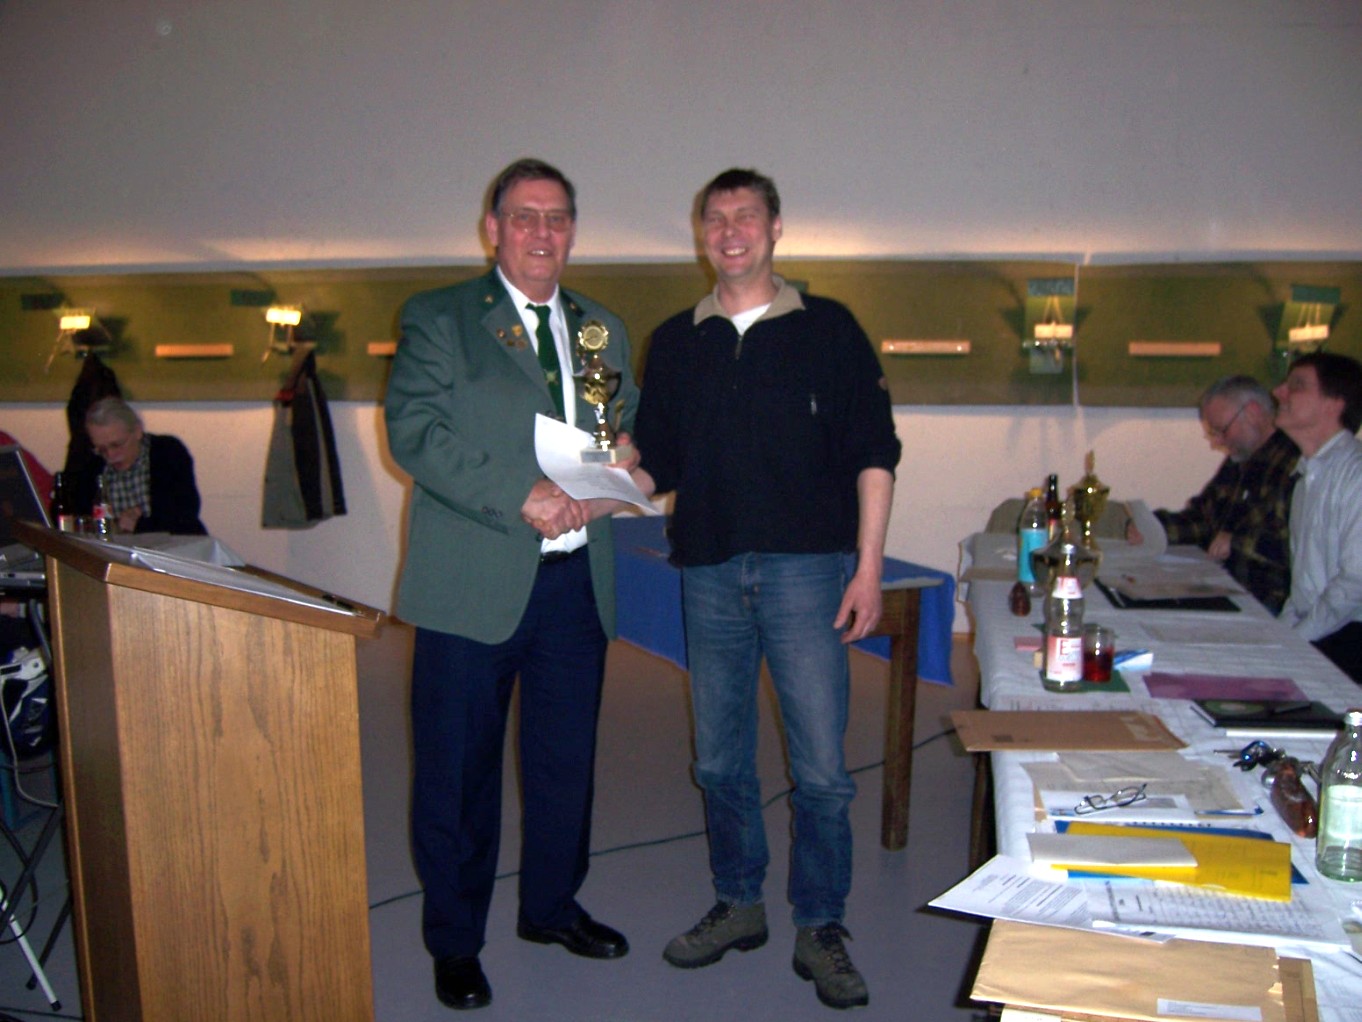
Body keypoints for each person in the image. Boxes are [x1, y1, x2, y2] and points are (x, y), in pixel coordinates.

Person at [632, 169, 901, 1010]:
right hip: (708, 569)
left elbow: (874, 452)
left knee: (821, 769)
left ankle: (820, 925)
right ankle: (739, 903)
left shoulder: (830, 328)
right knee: (719, 760)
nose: (730, 230)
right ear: (700, 233)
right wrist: (592, 479)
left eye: (745, 215)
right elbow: (655, 464)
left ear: (776, 227)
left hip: (807, 573)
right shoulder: (676, 341)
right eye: (715, 218)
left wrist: (868, 568)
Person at [384, 158, 644, 1011]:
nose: (542, 232)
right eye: (525, 216)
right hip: (471, 581)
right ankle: (456, 941)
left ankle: (551, 908)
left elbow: (621, 427)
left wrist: (622, 463)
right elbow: (414, 431)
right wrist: (519, 493)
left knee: (565, 764)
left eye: (557, 217)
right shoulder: (441, 318)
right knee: (457, 773)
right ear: (492, 228)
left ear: (573, 231)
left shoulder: (602, 329)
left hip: (575, 585)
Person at [1127, 375, 1298, 613]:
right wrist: (1154, 527)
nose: (1216, 442)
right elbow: (1203, 518)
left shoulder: (1292, 464)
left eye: (1221, 430)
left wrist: (1235, 542)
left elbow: (1295, 546)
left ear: (1252, 412)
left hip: (1267, 603)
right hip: (1224, 589)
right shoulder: (1239, 461)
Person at [1272, 351, 1362, 682]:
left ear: (1334, 404)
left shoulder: (1356, 475)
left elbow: (1356, 583)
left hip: (1350, 641)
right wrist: (1276, 636)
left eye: (1296, 385)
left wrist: (1294, 641)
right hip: (1324, 632)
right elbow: (1304, 589)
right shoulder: (1307, 475)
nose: (1278, 392)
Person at [84, 396, 207, 535]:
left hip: (174, 545)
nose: (110, 455)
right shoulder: (92, 466)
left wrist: (140, 525)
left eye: (116, 445)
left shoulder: (167, 452)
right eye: (102, 449)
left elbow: (184, 516)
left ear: (137, 431)